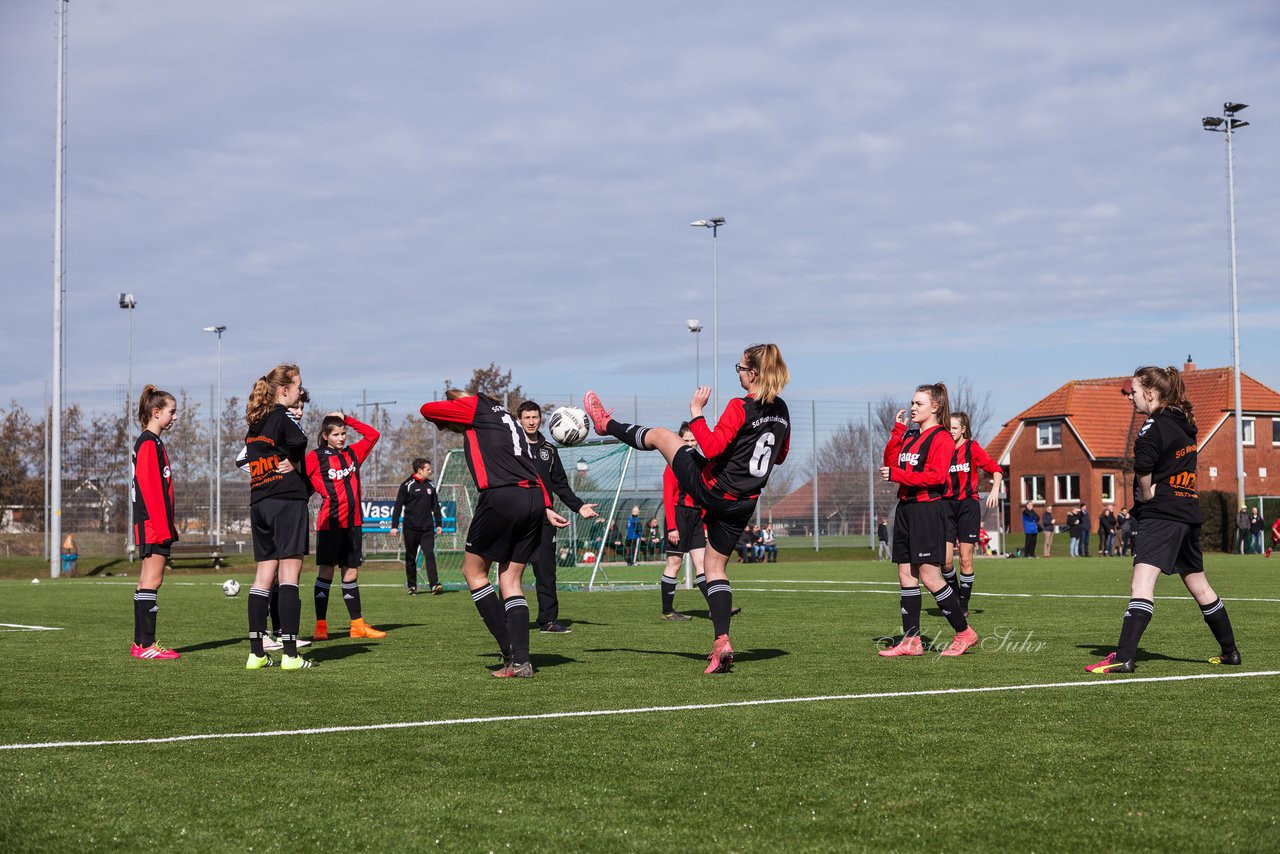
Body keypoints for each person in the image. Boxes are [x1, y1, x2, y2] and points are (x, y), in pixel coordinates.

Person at [583, 342, 792, 674]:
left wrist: (696, 412)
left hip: (714, 490)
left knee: (664, 437)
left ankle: (605, 424)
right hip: (745, 502)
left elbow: (709, 449)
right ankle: (721, 641)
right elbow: (778, 456)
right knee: (714, 568)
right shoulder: (781, 409)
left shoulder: (740, 407)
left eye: (739, 369)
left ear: (753, 374)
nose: (737, 374)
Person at [1087, 366, 1241, 673]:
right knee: (1200, 586)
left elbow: (1144, 466)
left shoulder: (1153, 424)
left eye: (1132, 392)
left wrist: (1145, 495)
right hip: (1187, 513)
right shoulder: (1184, 424)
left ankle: (1124, 657)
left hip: (1163, 515)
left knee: (1141, 584)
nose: (1129, 398)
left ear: (1150, 393)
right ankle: (1230, 652)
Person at [419, 389, 570, 678]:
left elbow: (427, 409)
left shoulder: (475, 408)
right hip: (534, 497)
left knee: (474, 573)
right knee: (510, 579)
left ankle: (510, 653)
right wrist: (546, 507)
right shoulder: (510, 421)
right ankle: (523, 660)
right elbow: (529, 464)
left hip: (502, 497)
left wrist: (458, 406)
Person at [878, 383, 979, 658]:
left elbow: (936, 477)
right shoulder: (910, 435)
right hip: (906, 509)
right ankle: (911, 641)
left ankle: (964, 632)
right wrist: (897, 434)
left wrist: (898, 475)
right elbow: (892, 463)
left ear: (935, 407)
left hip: (928, 510)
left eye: (918, 403)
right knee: (905, 574)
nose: (912, 407)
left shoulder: (942, 438)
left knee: (929, 574)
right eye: (912, 402)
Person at [243, 364, 315, 670]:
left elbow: (249, 459)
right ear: (284, 391)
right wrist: (293, 463)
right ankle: (289, 654)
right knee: (289, 577)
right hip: (286, 502)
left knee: (262, 577)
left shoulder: (255, 423)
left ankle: (256, 653)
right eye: (298, 386)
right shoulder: (282, 416)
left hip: (260, 501)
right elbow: (300, 443)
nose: (300, 391)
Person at [516, 400, 599, 634]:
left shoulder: (549, 450)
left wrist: (579, 506)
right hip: (518, 517)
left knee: (546, 570)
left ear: (541, 419)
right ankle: (508, 617)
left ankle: (548, 620)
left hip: (545, 520)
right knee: (512, 570)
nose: (531, 422)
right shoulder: (513, 448)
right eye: (527, 418)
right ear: (519, 420)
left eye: (535, 417)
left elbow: (560, 485)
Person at [305, 412, 387, 642]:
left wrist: (348, 418)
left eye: (343, 433)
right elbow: (302, 479)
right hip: (330, 524)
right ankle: (321, 625)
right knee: (327, 572)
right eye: (336, 434)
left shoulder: (353, 454)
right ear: (325, 436)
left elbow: (373, 435)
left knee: (351, 572)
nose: (341, 438)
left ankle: (357, 625)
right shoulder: (315, 457)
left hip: (354, 523)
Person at [129, 385, 181, 660]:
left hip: (150, 524)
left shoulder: (150, 441)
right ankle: (147, 645)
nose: (175, 417)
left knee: (145, 581)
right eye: (172, 412)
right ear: (156, 412)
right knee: (153, 579)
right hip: (153, 524)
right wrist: (164, 529)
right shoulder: (149, 442)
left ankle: (140, 644)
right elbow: (150, 489)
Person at [942, 411, 1004, 612]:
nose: (950, 431)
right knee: (945, 561)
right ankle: (955, 594)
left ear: (963, 429)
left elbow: (994, 468)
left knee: (966, 558)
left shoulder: (972, 448)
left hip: (968, 505)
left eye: (954, 428)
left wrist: (995, 488)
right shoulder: (941, 449)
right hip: (946, 506)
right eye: (948, 427)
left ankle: (963, 605)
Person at [659, 423, 708, 621]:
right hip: (678, 516)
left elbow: (705, 497)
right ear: (679, 441)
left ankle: (717, 608)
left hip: (696, 518)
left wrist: (705, 525)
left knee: (703, 563)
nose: (690, 443)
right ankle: (668, 611)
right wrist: (672, 526)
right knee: (675, 563)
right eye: (686, 440)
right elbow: (667, 495)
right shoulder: (673, 463)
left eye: (693, 440)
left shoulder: (703, 464)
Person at [390, 459, 444, 595]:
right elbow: (397, 507)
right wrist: (394, 526)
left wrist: (438, 523)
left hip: (427, 529)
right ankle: (412, 586)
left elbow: (435, 506)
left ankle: (434, 585)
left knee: (430, 555)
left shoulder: (431, 485)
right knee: (410, 557)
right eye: (428, 469)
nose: (430, 471)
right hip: (411, 529)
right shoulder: (407, 485)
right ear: (420, 470)